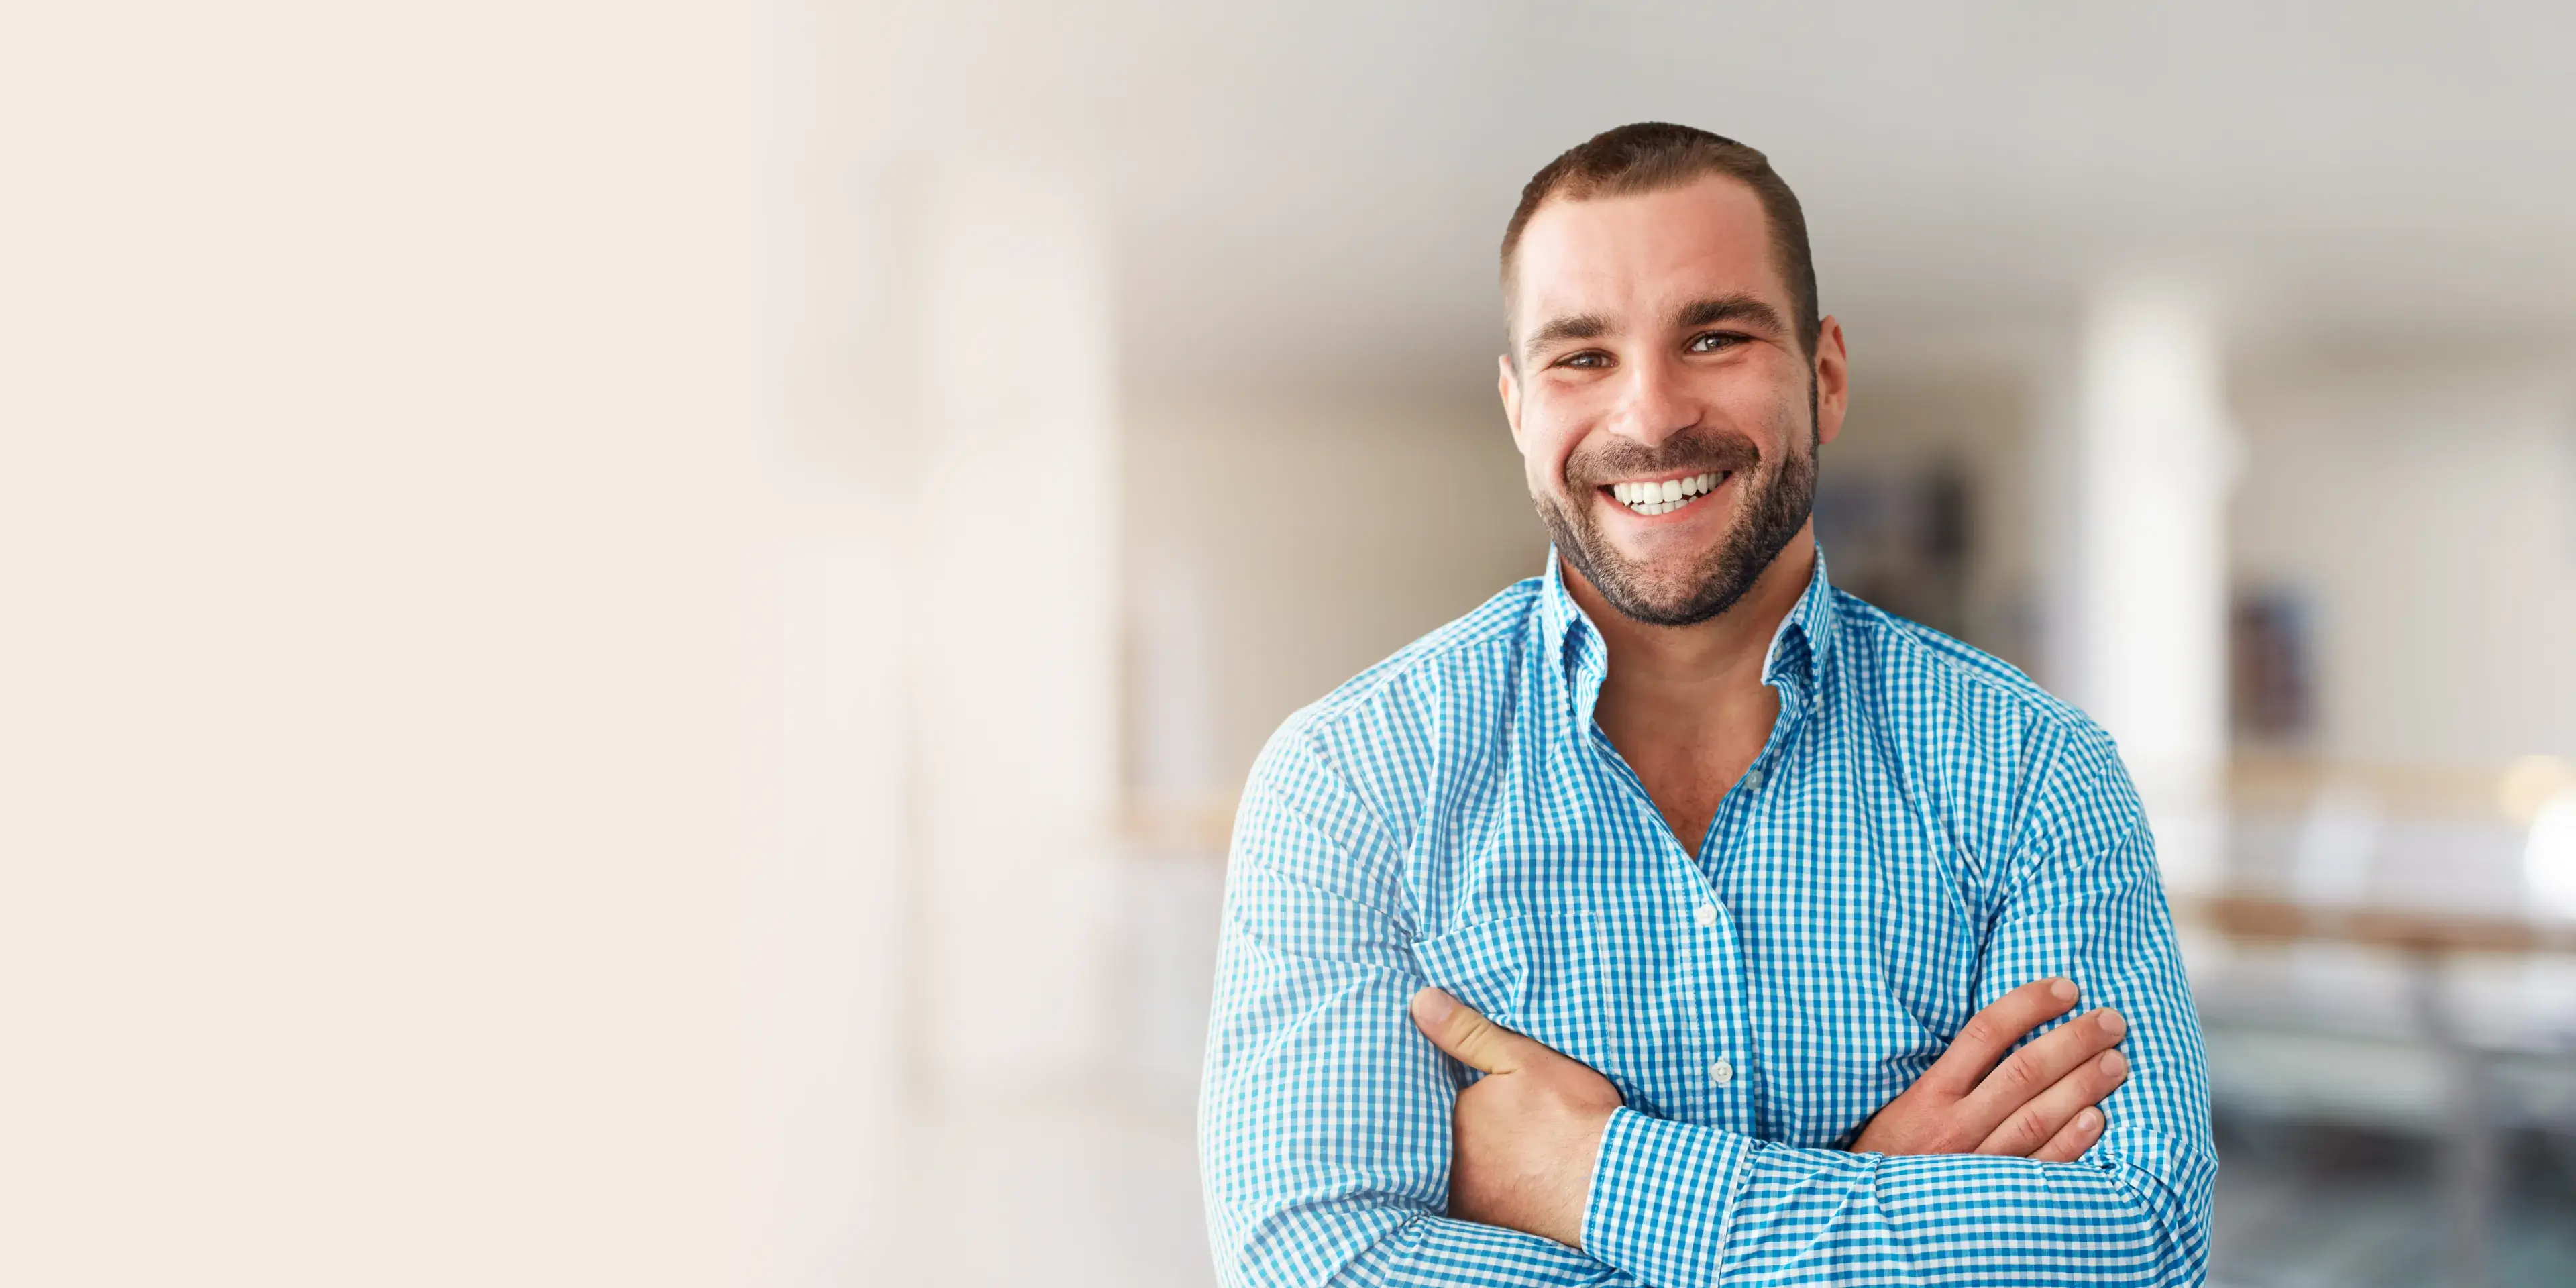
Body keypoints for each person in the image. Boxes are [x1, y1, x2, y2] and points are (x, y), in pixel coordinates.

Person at [1196, 123, 2214, 1286]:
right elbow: (1311, 1262)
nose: (1651, 414)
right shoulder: (1351, 780)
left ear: (1823, 376)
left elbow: (2134, 1245)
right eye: (1582, 357)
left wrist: (1586, 1177)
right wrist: (1879, 1192)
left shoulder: (2035, 774)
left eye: (1715, 336)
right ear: (1519, 406)